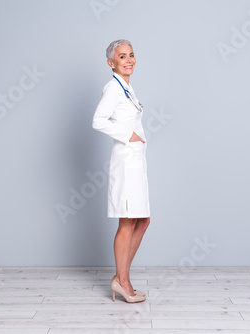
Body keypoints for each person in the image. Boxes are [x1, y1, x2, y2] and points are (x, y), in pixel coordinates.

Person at [92, 39, 150, 303]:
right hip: (126, 164)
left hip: (136, 163)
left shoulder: (127, 87)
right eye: (122, 56)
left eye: (131, 55)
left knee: (142, 220)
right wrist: (130, 135)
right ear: (111, 63)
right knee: (127, 221)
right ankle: (122, 281)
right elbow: (98, 121)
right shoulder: (113, 89)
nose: (129, 60)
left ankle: (122, 278)